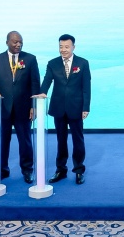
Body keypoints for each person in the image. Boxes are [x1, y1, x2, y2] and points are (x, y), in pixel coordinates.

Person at [0, 30, 41, 184]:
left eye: (20, 42)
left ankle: (27, 170)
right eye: (15, 42)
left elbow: (35, 83)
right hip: (3, 108)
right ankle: (2, 170)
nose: (18, 45)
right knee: (3, 140)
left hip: (24, 108)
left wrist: (34, 106)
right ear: (7, 42)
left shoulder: (30, 59)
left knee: (25, 141)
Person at [39, 34, 92, 185]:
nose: (63, 50)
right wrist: (42, 93)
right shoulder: (53, 63)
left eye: (66, 47)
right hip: (58, 108)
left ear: (73, 47)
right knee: (60, 140)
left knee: (78, 140)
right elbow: (47, 81)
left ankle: (79, 170)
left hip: (76, 107)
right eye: (61, 47)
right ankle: (61, 170)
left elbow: (86, 87)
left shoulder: (83, 63)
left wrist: (86, 107)